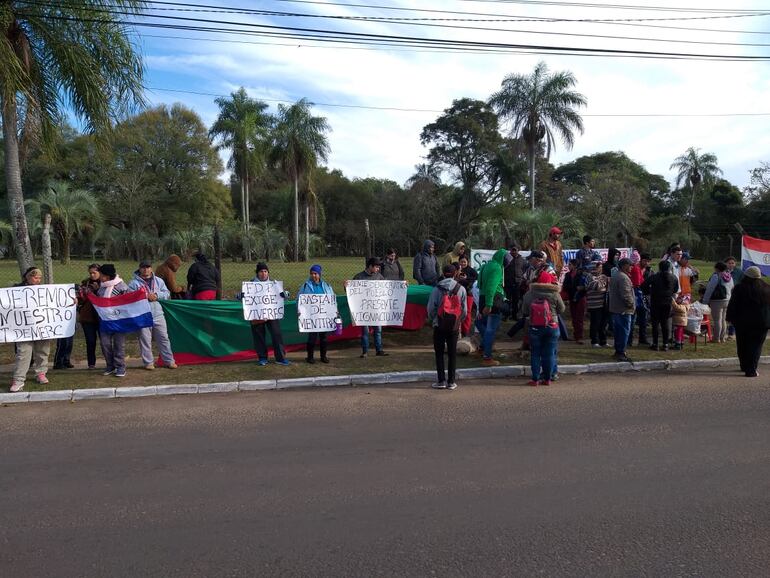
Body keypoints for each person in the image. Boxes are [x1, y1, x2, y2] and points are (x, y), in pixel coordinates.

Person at [128, 260, 178, 370]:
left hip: (158, 314)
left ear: (151, 268)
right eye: (143, 267)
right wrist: (146, 296)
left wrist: (156, 295)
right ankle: (148, 363)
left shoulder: (159, 281)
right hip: (142, 315)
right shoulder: (133, 283)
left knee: (164, 338)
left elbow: (167, 293)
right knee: (145, 339)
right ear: (139, 269)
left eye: (148, 267)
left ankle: (169, 361)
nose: (146, 270)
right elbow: (130, 296)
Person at [10, 267, 52, 393]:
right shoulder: (16, 290)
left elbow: (55, 302)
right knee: (23, 353)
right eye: (35, 277)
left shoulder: (44, 291)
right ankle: (18, 380)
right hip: (24, 329)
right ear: (27, 277)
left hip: (41, 327)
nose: (38, 280)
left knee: (43, 351)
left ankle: (41, 373)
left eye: (39, 278)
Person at [427, 264, 468, 390]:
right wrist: (457, 321)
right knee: (452, 353)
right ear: (455, 273)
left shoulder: (436, 289)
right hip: (454, 326)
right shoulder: (461, 289)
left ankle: (441, 381)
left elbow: (431, 309)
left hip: (439, 325)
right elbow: (464, 310)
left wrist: (434, 319)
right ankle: (451, 381)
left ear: (443, 274)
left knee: (439, 353)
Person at [243, 262, 290, 366]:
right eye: (261, 271)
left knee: (276, 334)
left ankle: (280, 358)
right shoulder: (250, 285)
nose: (263, 273)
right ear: (257, 273)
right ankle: (262, 358)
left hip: (272, 313)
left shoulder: (274, 284)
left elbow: (286, 296)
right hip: (257, 314)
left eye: (265, 271)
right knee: (259, 336)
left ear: (268, 272)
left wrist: (284, 294)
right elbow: (242, 298)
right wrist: (240, 296)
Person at [522, 271, 565, 385]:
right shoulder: (555, 294)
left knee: (535, 353)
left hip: (535, 327)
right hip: (552, 326)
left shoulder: (529, 294)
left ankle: (535, 379)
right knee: (549, 353)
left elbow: (524, 311)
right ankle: (547, 379)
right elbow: (562, 309)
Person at [726, 266, 770, 378]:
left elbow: (733, 304)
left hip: (742, 322)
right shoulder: (766, 288)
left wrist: (730, 318)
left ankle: (744, 365)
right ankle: (751, 369)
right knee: (756, 346)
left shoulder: (739, 288)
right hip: (761, 323)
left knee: (742, 344)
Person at [96, 263, 129, 377]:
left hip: (119, 320)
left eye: (101, 274)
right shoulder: (102, 286)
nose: (99, 276)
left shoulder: (121, 286)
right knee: (105, 343)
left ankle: (120, 367)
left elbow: (127, 302)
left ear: (107, 276)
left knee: (119, 344)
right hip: (105, 320)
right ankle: (110, 365)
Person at [351, 257, 388, 358]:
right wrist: (346, 286)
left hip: (376, 309)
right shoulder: (359, 277)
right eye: (376, 267)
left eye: (379, 267)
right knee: (365, 332)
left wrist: (402, 285)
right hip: (364, 310)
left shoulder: (379, 276)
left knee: (378, 330)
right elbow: (350, 291)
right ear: (370, 266)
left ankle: (379, 350)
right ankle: (365, 351)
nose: (378, 269)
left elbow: (387, 288)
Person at [476, 248, 507, 366]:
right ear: (502, 258)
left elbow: (479, 284)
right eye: (506, 258)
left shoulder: (485, 266)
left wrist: (483, 303)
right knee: (491, 329)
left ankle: (482, 348)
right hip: (493, 300)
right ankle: (487, 357)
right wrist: (489, 304)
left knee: (482, 323)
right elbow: (491, 287)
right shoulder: (497, 268)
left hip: (483, 298)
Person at [298, 264, 334, 364]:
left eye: (315, 273)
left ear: (319, 274)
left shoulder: (326, 286)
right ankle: (310, 357)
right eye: (312, 273)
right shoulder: (305, 286)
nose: (313, 275)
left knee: (324, 338)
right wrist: (299, 309)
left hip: (324, 316)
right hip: (311, 317)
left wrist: (335, 311)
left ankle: (323, 356)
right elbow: (299, 299)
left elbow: (332, 299)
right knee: (312, 338)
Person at [644, 260, 679, 351]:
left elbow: (643, 285)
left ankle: (655, 344)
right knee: (665, 323)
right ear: (669, 268)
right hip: (667, 302)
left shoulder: (654, 277)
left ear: (660, 268)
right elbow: (675, 290)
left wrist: (649, 292)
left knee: (655, 324)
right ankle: (665, 344)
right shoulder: (674, 278)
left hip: (655, 302)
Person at [608, 257, 635, 362]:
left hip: (616, 308)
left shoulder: (615, 275)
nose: (631, 267)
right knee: (624, 331)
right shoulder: (623, 278)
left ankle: (618, 350)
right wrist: (631, 304)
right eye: (630, 265)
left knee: (619, 331)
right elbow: (626, 294)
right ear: (624, 266)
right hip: (623, 309)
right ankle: (621, 352)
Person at [702, 261, 734, 343]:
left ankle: (716, 338)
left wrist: (705, 301)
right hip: (727, 299)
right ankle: (722, 337)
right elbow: (732, 287)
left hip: (717, 300)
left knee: (717, 320)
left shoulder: (716, 276)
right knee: (723, 319)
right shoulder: (729, 276)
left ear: (717, 268)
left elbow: (710, 289)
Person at [78, 263, 102, 369]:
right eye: (90, 273)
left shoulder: (106, 284)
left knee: (105, 341)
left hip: (102, 317)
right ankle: (91, 363)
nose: (92, 275)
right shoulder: (85, 284)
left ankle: (110, 362)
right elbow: (80, 298)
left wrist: (98, 290)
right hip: (87, 317)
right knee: (90, 341)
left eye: (94, 273)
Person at [562, 259, 588, 344]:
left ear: (574, 265)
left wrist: (581, 288)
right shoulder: (568, 275)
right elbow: (565, 286)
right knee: (574, 318)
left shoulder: (581, 274)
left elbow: (586, 285)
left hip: (580, 297)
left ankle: (579, 336)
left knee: (579, 317)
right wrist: (574, 288)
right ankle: (575, 335)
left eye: (570, 264)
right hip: (572, 297)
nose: (568, 266)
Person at [586, 260, 609, 348]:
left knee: (604, 323)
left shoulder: (603, 276)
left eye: (601, 267)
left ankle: (603, 341)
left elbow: (606, 287)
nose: (600, 269)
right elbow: (596, 287)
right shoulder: (589, 276)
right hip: (594, 304)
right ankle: (594, 341)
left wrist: (603, 285)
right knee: (595, 323)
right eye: (598, 267)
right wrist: (602, 285)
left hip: (603, 303)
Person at [456, 255, 477, 338]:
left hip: (468, 294)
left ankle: (466, 331)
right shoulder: (456, 270)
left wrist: (466, 278)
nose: (463, 263)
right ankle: (458, 331)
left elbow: (476, 279)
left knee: (467, 312)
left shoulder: (472, 271)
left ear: (468, 262)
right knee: (458, 312)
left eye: (464, 262)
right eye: (461, 262)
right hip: (458, 294)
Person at [503, 243, 526, 321]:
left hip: (518, 284)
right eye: (512, 249)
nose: (513, 251)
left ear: (518, 250)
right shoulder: (506, 258)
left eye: (515, 250)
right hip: (508, 283)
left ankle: (514, 315)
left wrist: (521, 279)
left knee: (516, 300)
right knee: (507, 300)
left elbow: (524, 270)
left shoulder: (522, 260)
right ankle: (505, 315)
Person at [636, 253, 653, 346]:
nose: (647, 263)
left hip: (645, 296)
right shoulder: (635, 268)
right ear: (641, 260)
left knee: (644, 319)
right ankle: (629, 340)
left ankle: (642, 339)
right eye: (645, 261)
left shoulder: (649, 271)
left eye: (648, 261)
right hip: (635, 295)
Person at [725, 256, 743, 341]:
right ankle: (723, 332)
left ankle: (731, 334)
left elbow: (743, 283)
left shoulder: (739, 272)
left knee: (733, 315)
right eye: (729, 263)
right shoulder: (723, 271)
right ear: (726, 264)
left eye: (733, 263)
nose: (731, 265)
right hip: (724, 296)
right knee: (724, 315)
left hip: (735, 296)